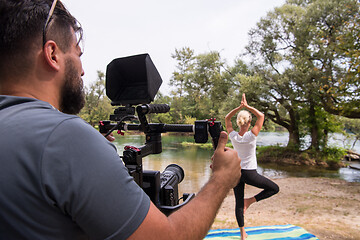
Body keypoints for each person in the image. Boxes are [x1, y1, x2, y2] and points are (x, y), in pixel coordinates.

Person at [0, 1, 242, 239]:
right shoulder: (65, 138)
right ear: (53, 54)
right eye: (77, 53)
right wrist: (221, 179)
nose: (83, 70)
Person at [225, 93, 279, 240]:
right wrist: (247, 106)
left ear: (238, 122)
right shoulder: (252, 135)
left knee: (238, 202)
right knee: (274, 188)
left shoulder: (233, 136)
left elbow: (227, 118)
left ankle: (243, 235)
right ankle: (250, 201)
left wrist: (238, 108)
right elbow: (261, 116)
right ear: (249, 122)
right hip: (249, 173)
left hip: (236, 173)